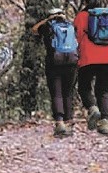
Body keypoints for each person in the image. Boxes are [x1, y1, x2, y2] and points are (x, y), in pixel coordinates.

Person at [29, 7, 79, 137]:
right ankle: (69, 123)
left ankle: (60, 123)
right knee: (68, 92)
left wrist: (47, 20)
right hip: (72, 62)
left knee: (56, 92)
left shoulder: (48, 26)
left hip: (54, 62)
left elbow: (34, 30)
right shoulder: (70, 26)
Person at [74, 0, 108, 134]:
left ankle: (93, 108)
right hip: (107, 57)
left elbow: (77, 36)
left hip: (88, 57)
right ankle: (105, 122)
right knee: (103, 90)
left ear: (85, 2)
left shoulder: (81, 16)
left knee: (84, 87)